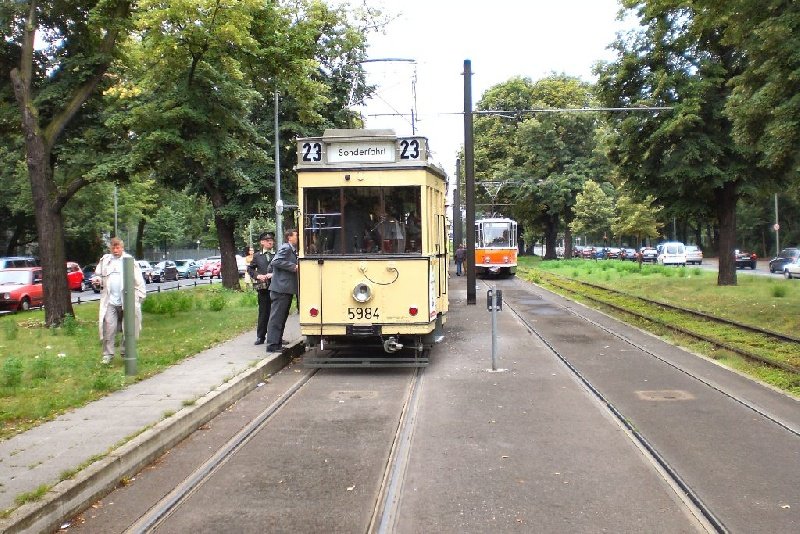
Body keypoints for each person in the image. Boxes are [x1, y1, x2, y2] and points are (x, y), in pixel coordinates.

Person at [93, 237, 146, 364]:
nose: (116, 250)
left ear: (122, 248)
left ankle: (125, 352)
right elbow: (98, 276)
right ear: (110, 248)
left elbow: (139, 281)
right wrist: (97, 281)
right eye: (113, 248)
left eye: (118, 247)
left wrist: (138, 297)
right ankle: (108, 354)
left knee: (128, 327)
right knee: (108, 327)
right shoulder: (106, 261)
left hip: (127, 300)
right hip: (110, 301)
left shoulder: (129, 261)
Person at [265, 229, 299, 352]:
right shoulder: (286, 248)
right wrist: (293, 267)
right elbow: (276, 261)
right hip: (281, 289)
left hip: (285, 289)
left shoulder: (292, 250)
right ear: (289, 237)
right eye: (296, 235)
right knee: (277, 318)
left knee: (281, 317)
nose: (298, 237)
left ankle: (277, 343)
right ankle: (272, 345)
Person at [248, 233, 275, 345]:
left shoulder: (277, 254)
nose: (270, 242)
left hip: (276, 287)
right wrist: (257, 276)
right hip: (263, 288)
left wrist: (272, 274)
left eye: (272, 240)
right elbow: (250, 269)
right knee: (263, 312)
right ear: (262, 242)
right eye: (267, 240)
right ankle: (261, 336)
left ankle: (276, 336)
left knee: (276, 313)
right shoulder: (257, 256)